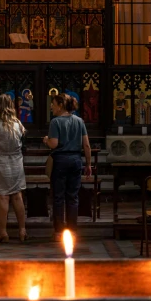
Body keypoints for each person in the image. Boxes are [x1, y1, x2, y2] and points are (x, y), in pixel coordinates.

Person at [43, 92, 92, 240]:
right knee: (73, 197)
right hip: (76, 159)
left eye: (54, 104)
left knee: (58, 197)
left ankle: (59, 232)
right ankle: (72, 230)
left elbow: (54, 144)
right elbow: (87, 145)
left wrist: (46, 140)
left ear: (61, 105)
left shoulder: (55, 122)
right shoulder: (79, 121)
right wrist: (88, 164)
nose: (51, 106)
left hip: (60, 160)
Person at [0, 93, 28, 243]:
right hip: (16, 162)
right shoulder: (18, 125)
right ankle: (22, 230)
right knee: (17, 196)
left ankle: (3, 232)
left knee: (3, 197)